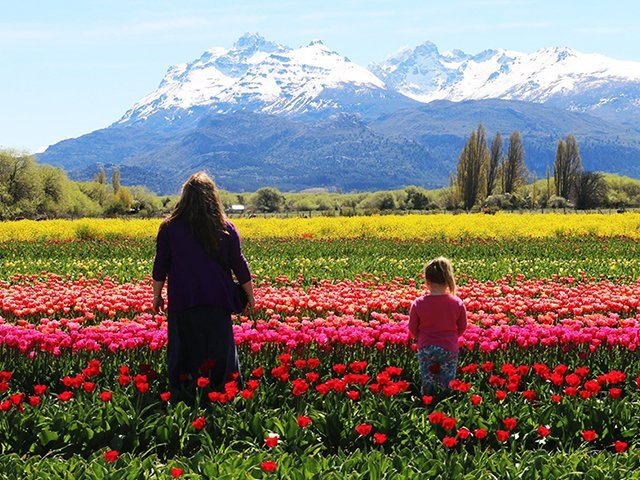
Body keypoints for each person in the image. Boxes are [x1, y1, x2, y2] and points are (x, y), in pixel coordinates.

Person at [152, 172, 255, 395]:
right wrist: (250, 295)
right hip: (217, 299)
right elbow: (239, 264)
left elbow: (161, 264)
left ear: (185, 197)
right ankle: (223, 393)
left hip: (183, 299)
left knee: (185, 349)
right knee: (219, 350)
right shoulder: (225, 227)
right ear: (213, 197)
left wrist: (157, 295)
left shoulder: (169, 228)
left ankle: (184, 392)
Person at [408, 257, 467, 396]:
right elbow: (463, 327)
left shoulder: (418, 303)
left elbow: (412, 328)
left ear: (427, 281)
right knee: (447, 380)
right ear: (448, 280)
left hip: (426, 347)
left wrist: (420, 337)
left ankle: (428, 401)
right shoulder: (457, 303)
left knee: (427, 379)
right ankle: (445, 402)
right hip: (449, 347)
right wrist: (452, 336)